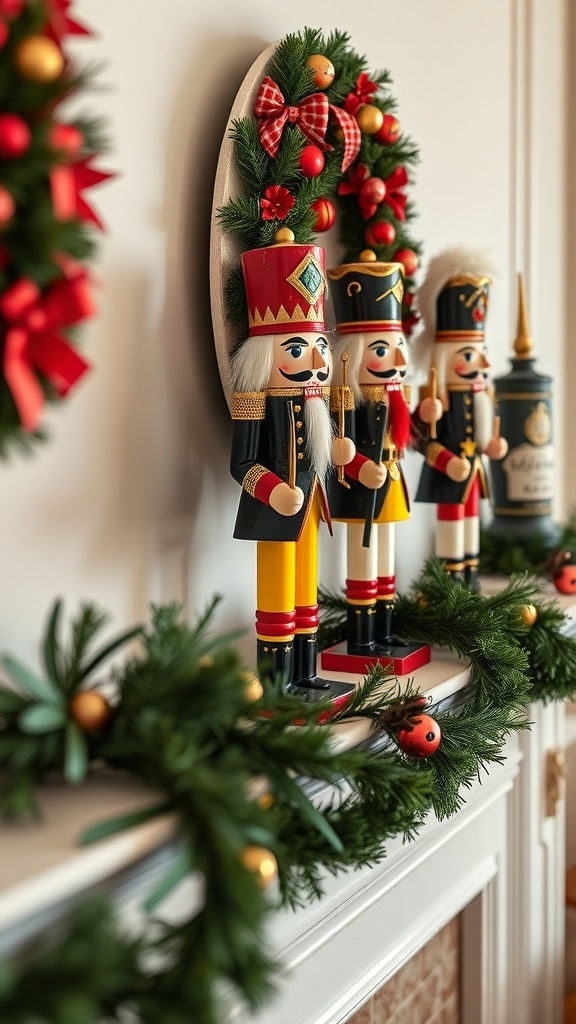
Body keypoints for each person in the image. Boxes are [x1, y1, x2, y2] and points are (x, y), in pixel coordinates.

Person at [229, 227, 368, 706]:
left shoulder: (321, 399)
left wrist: (342, 453)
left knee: (306, 590)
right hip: (275, 509)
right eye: (295, 349)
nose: (315, 359)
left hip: (312, 501)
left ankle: (306, 674)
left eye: (319, 348)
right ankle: (276, 685)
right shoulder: (254, 400)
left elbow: (326, 447)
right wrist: (272, 490)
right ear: (264, 357)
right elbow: (241, 463)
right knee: (276, 595)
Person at [321, 252, 430, 674]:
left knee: (386, 559)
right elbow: (336, 447)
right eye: (383, 349)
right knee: (364, 559)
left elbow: (410, 437)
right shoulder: (347, 398)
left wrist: (426, 418)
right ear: (351, 355)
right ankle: (363, 637)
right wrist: (358, 467)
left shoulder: (394, 397)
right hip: (361, 492)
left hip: (391, 484)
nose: (398, 360)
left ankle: (383, 631)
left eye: (398, 347)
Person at [411, 247, 508, 590]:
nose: (484, 364)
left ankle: (471, 577)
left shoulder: (484, 396)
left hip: (474, 471)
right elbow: (418, 439)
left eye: (483, 353)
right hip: (449, 472)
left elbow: (487, 434)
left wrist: (492, 445)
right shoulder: (435, 398)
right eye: (470, 355)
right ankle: (451, 585)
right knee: (452, 525)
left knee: (471, 524)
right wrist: (446, 460)